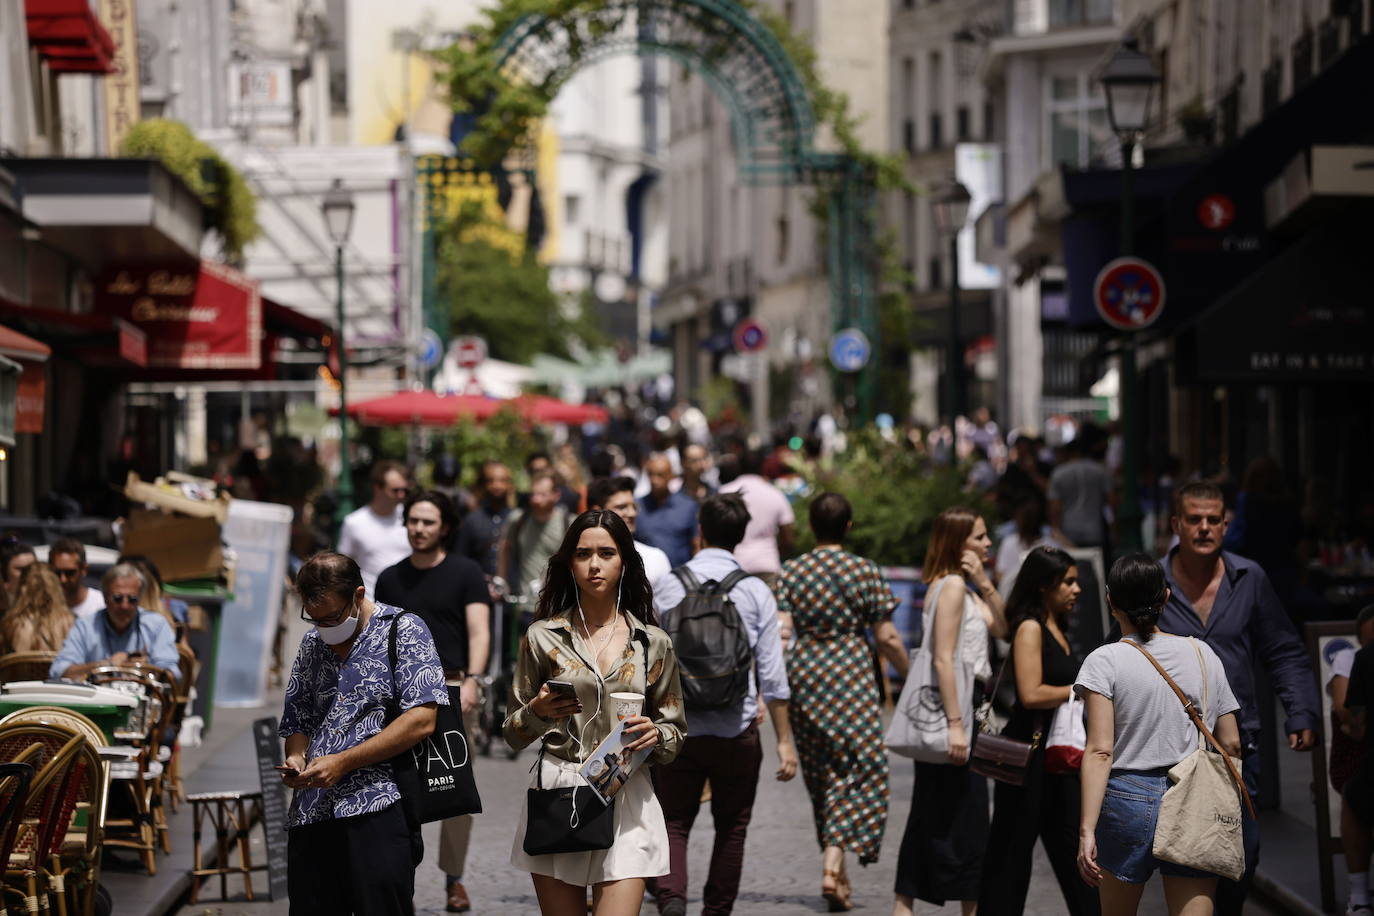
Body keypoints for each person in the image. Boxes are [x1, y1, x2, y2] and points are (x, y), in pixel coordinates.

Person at [503, 510, 686, 916]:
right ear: (569, 563)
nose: (595, 564)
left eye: (607, 553)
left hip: (627, 791)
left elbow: (675, 734)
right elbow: (512, 733)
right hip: (560, 790)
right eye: (584, 553)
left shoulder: (652, 643)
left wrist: (656, 734)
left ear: (624, 562)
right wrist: (538, 710)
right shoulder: (542, 636)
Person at [1159, 481, 1320, 913]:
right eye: (1194, 519)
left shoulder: (1249, 578)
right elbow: (1117, 656)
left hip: (1237, 747)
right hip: (1171, 748)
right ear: (1177, 524)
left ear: (1227, 525)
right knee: (1187, 858)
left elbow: (1283, 649)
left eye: (1214, 520)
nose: (1205, 528)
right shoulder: (1151, 582)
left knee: (1243, 854)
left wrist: (1301, 712)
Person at [651, 493, 798, 916]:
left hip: (680, 728)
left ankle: (671, 899)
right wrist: (784, 741)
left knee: (673, 822)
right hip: (737, 728)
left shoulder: (671, 584)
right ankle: (716, 910)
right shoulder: (755, 592)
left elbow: (650, 658)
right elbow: (772, 674)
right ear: (740, 537)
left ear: (701, 532)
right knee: (732, 828)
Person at [279, 552, 448, 915]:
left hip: (380, 803)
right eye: (314, 618)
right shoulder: (313, 642)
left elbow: (422, 718)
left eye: (332, 617)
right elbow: (297, 718)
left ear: (358, 595)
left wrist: (343, 762)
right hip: (313, 813)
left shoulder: (404, 629)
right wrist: (296, 756)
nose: (324, 627)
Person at [1076, 553, 1243, 915]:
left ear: (1110, 600)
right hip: (1193, 796)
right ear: (1166, 597)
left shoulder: (1103, 661)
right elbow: (1231, 741)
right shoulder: (1203, 653)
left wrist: (1086, 830)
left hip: (1125, 799)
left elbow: (1100, 751)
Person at [776, 493, 908, 911]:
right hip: (850, 670)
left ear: (813, 527)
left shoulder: (792, 570)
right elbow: (886, 636)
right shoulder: (864, 570)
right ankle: (834, 862)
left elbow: (781, 631)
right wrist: (912, 673)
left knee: (821, 771)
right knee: (863, 766)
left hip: (805, 671)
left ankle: (838, 872)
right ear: (848, 526)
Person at [374, 491, 491, 914]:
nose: (419, 529)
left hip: (454, 689)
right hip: (400, 697)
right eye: (413, 521)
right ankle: (400, 871)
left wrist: (475, 679)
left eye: (428, 522)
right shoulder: (389, 578)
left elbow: (479, 631)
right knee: (400, 788)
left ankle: (454, 880)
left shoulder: (466, 572)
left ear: (445, 526)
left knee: (454, 791)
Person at [893, 506, 1007, 916]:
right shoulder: (952, 588)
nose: (988, 542)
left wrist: (984, 581)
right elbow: (942, 658)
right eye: (979, 536)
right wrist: (956, 724)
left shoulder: (963, 586)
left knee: (941, 817)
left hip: (964, 708)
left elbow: (1002, 629)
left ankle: (904, 907)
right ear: (959, 543)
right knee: (965, 820)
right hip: (955, 710)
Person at [978, 546, 1100, 915]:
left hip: (1057, 756)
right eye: (1068, 582)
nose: (1076, 590)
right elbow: (1030, 694)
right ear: (1046, 585)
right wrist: (1083, 688)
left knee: (1072, 851)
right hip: (1029, 758)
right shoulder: (1031, 628)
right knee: (1011, 858)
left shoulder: (1056, 626)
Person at [49, 562, 180, 678]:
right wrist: (107, 665)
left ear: (139, 599)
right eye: (117, 598)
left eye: (132, 599)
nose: (124, 606)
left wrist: (148, 669)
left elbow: (172, 673)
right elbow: (59, 671)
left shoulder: (156, 625)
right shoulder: (85, 626)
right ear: (105, 598)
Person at [1333, 607, 1374, 915]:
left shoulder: (1364, 658)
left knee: (1357, 795)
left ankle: (1360, 896)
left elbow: (1353, 721)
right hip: (1361, 759)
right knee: (1355, 792)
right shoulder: (1354, 659)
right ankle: (1359, 895)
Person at [718, 448, 795, 590]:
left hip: (733, 567)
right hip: (767, 565)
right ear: (763, 466)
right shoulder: (775, 494)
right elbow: (788, 540)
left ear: (739, 467)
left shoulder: (724, 493)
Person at [336, 460, 412, 596]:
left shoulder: (412, 519)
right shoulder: (354, 523)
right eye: (395, 490)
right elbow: (343, 567)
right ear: (377, 488)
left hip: (408, 602)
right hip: (371, 605)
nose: (401, 495)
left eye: (404, 490)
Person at [500, 471, 573, 606]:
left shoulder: (568, 522)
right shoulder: (517, 520)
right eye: (533, 494)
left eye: (542, 495)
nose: (536, 499)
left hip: (558, 605)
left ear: (556, 495)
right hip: (525, 605)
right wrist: (502, 580)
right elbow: (505, 547)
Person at [587, 476, 671, 588]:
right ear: (597, 512)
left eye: (634, 507)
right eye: (622, 507)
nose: (632, 513)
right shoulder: (580, 562)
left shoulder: (655, 559)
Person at [1047, 432, 1114, 548]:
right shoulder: (1099, 470)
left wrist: (1055, 531)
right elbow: (1112, 501)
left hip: (1069, 530)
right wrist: (1114, 527)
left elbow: (1055, 508)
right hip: (1094, 529)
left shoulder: (1059, 473)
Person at [456, 461, 516, 579]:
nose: (497, 486)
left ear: (509, 485)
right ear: (484, 485)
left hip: (513, 593)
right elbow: (461, 559)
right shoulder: (471, 520)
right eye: (491, 481)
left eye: (502, 481)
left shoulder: (518, 519)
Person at [636, 454, 698, 569]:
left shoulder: (688, 506)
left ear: (671, 476)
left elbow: (696, 544)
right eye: (651, 474)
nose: (654, 480)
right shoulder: (637, 507)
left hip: (682, 577)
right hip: (648, 577)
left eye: (660, 475)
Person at [1, 563, 73, 654]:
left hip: (19, 668)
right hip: (58, 668)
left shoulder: (10, 624)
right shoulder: (69, 622)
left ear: (23, 589)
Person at [50, 537, 104, 620]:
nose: (63, 579)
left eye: (69, 573)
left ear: (84, 570)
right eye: (57, 573)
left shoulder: (101, 605)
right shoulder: (45, 607)